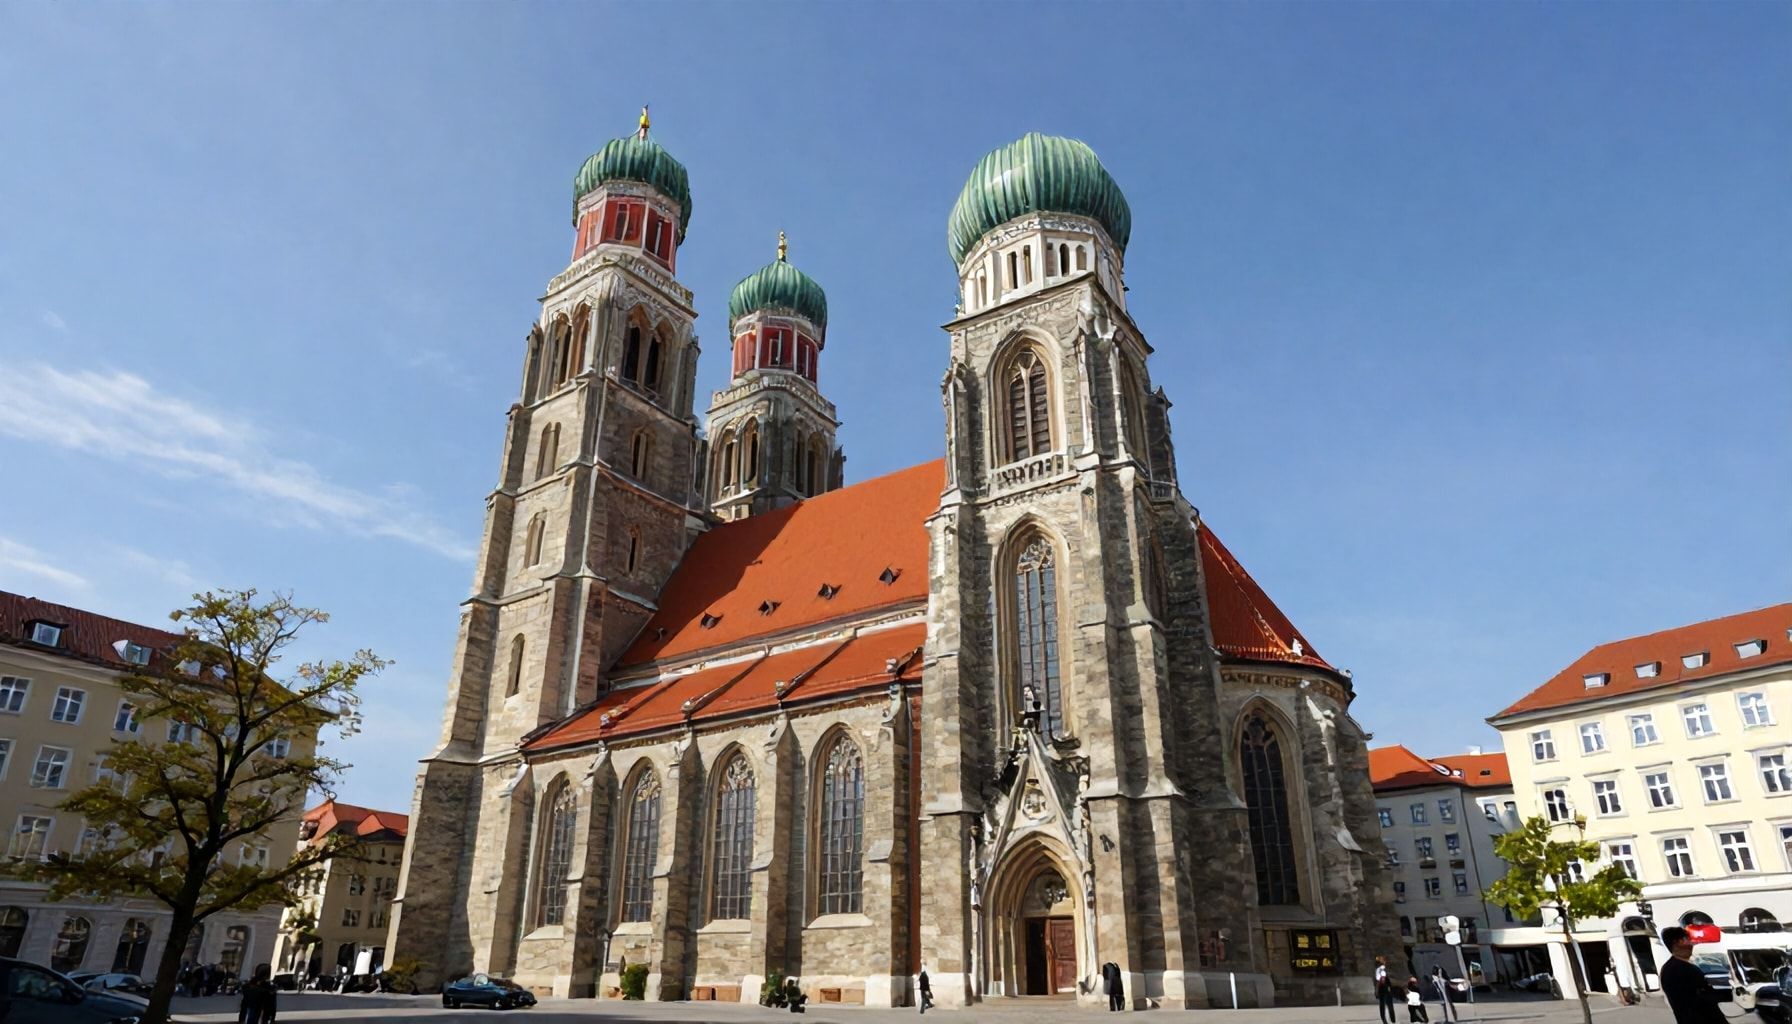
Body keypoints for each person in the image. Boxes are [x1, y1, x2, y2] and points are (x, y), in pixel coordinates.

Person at [1659, 926, 1725, 1024]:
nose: (1692, 943)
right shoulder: (1684, 969)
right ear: (1678, 942)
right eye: (1688, 939)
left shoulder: (1667, 969)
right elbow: (1699, 998)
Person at [1376, 956, 1397, 1024]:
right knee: (1383, 1005)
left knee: (1389, 1004)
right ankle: (1385, 1020)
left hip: (1387, 988)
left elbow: (1388, 980)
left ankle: (1393, 1019)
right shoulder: (1379, 970)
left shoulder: (1385, 970)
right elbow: (1378, 979)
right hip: (1382, 988)